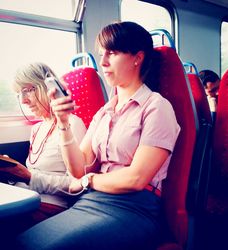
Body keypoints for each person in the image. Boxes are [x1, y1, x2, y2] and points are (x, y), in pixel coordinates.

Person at [14, 21, 180, 250]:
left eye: (112, 53)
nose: (102, 62)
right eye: (102, 54)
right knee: (21, 242)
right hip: (90, 201)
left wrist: (89, 181)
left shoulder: (157, 107)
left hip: (135, 208)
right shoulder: (104, 113)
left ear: (137, 58)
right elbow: (77, 170)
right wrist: (63, 123)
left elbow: (136, 179)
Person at [0, 62, 86, 228]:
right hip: (24, 197)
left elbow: (78, 184)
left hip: (49, 206)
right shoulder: (36, 128)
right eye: (19, 94)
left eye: (27, 90)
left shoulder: (73, 124)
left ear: (45, 87)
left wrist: (29, 177)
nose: (24, 100)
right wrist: (13, 173)